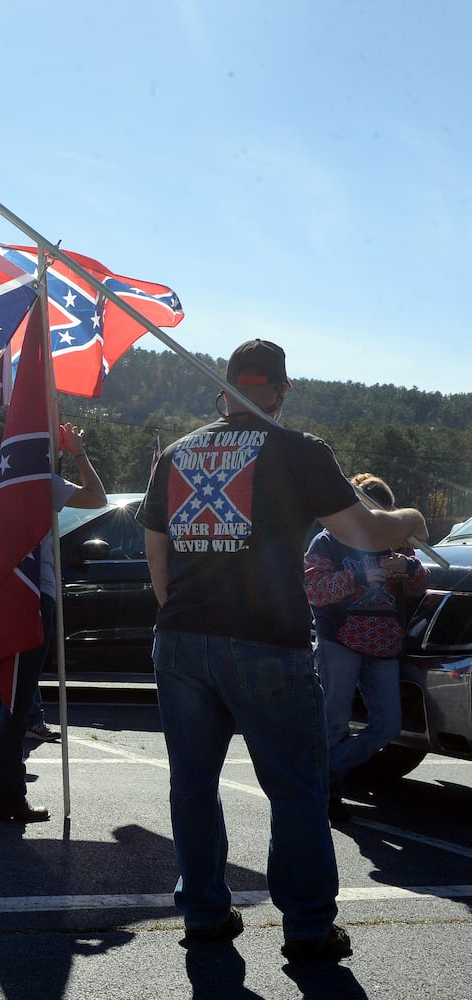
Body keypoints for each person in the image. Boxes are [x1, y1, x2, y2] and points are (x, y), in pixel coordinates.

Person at [137, 339, 427, 962]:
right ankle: (307, 927)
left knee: (192, 786)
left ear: (225, 389)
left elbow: (156, 557)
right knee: (295, 788)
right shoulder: (299, 451)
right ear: (280, 388)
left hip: (182, 639)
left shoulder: (178, 455)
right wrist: (409, 520)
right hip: (267, 640)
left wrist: (183, 620)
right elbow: (364, 533)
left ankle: (206, 914)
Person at [0, 410, 106, 822]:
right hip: (31, 594)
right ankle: (8, 794)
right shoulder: (39, 482)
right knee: (18, 698)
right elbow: (97, 499)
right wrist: (78, 453)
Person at [305, 473, 427, 823]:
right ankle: (328, 795)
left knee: (387, 727)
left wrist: (409, 567)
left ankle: (321, 777)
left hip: (385, 645)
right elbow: (314, 590)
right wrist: (358, 578)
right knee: (334, 723)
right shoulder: (327, 543)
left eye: (387, 517)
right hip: (339, 641)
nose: (382, 526)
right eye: (376, 517)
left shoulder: (398, 544)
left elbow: (420, 585)